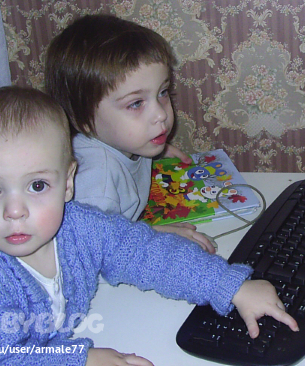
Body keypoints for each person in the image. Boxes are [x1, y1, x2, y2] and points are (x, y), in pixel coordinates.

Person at [0, 87, 298, 365]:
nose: (14, 211)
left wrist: (229, 286)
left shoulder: (80, 225)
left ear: (68, 183)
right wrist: (80, 360)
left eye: (37, 185)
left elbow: (144, 252)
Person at [45, 14, 216, 253]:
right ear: (82, 119)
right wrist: (153, 235)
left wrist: (160, 149)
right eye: (136, 103)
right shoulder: (97, 187)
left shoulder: (127, 140)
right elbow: (91, 254)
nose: (161, 114)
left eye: (163, 92)